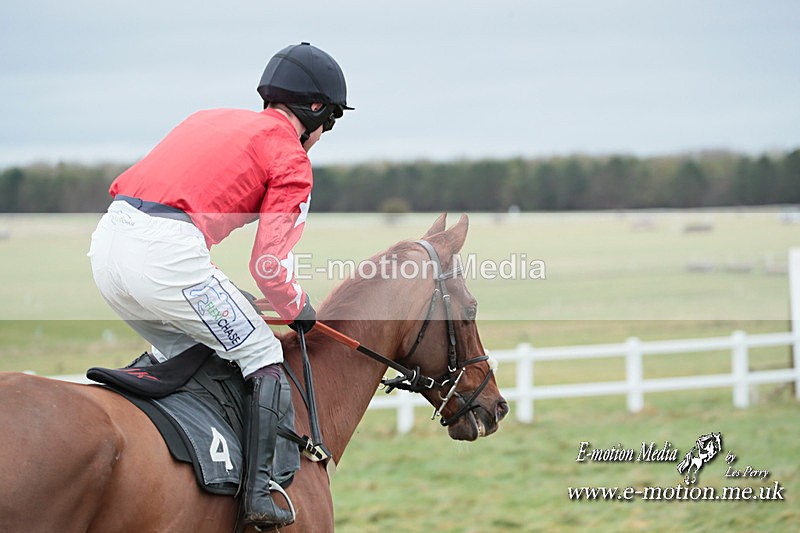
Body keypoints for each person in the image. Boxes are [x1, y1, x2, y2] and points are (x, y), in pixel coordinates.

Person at [87, 42, 352, 528]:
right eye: (329, 122)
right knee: (263, 354)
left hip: (107, 247)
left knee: (187, 351)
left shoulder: (208, 117)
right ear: (315, 109)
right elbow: (269, 266)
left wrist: (230, 298)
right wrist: (298, 309)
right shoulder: (291, 158)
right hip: (168, 258)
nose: (321, 136)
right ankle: (260, 495)